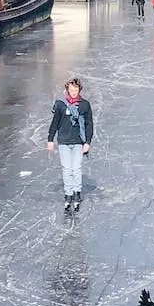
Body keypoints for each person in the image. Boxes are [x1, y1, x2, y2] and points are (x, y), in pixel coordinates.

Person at [46, 78, 94, 212]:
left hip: (78, 142)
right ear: (67, 90)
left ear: (79, 90)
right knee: (67, 169)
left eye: (76, 90)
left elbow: (89, 124)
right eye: (71, 90)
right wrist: (50, 139)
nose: (73, 92)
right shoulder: (61, 105)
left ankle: (77, 192)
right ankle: (68, 194)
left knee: (76, 168)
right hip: (64, 142)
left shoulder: (84, 105)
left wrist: (88, 142)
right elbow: (55, 123)